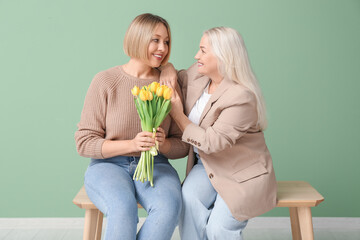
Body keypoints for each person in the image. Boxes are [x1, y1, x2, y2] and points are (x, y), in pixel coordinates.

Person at [75, 13, 189, 240]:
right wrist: (132, 144)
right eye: (155, 40)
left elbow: (183, 145)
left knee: (169, 209)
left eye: (166, 41)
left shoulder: (168, 84)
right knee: (122, 209)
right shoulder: (105, 81)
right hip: (108, 167)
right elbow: (84, 143)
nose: (163, 48)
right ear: (137, 38)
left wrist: (164, 144)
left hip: (156, 165)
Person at [162, 27, 277, 240]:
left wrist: (179, 116)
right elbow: (176, 77)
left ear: (224, 55)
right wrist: (167, 67)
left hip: (240, 173)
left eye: (203, 51)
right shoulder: (199, 75)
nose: (197, 55)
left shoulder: (241, 97)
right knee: (188, 202)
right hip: (205, 166)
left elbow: (212, 142)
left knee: (219, 229)